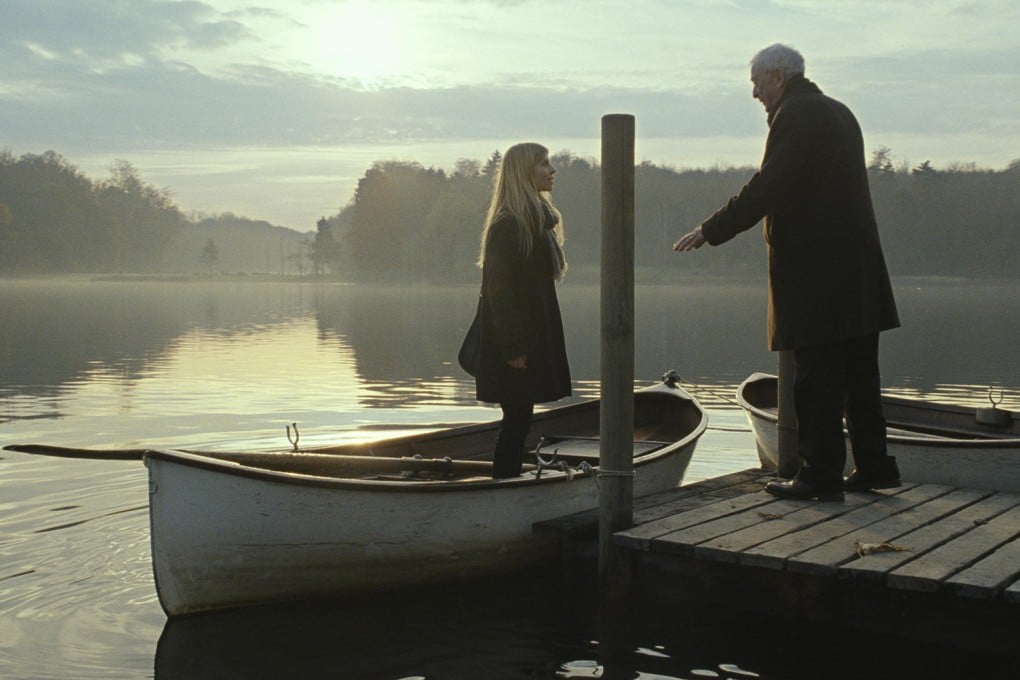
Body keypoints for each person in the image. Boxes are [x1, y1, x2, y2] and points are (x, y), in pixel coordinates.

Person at [672, 44, 901, 501]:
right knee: (860, 375)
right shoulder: (840, 113)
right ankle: (875, 467)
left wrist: (711, 229)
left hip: (818, 273)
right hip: (858, 270)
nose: (755, 93)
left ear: (779, 77)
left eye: (758, 82)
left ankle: (819, 476)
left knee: (815, 378)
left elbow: (768, 187)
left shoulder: (795, 116)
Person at [473, 142, 572, 478]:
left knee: (519, 420)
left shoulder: (536, 221)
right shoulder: (510, 225)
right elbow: (498, 292)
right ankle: (504, 487)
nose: (552, 170)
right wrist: (514, 348)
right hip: (514, 345)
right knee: (516, 421)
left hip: (529, 336)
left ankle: (508, 483)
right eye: (544, 163)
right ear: (523, 173)